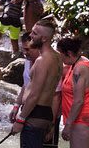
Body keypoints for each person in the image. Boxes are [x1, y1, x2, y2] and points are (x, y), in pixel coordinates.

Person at [10, 19, 62, 147]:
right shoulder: (57, 57)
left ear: (44, 39)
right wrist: (17, 105)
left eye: (35, 33)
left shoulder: (42, 60)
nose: (31, 35)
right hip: (45, 113)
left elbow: (34, 94)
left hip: (34, 114)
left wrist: (20, 120)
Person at [56, 37, 89, 148]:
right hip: (80, 117)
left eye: (60, 54)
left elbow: (78, 101)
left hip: (82, 118)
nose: (59, 57)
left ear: (69, 53)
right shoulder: (80, 61)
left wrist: (68, 125)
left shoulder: (78, 69)